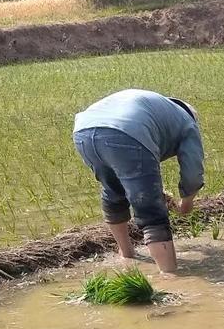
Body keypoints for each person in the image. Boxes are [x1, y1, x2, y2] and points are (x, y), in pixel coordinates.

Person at [72, 90, 206, 276]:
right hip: (126, 132)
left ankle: (126, 255)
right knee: (150, 210)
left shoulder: (159, 108)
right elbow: (193, 171)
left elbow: (129, 168)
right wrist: (186, 203)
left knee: (114, 192)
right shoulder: (187, 123)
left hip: (83, 132)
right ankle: (170, 277)